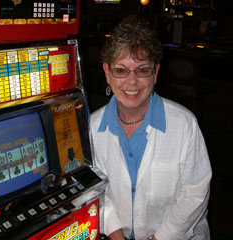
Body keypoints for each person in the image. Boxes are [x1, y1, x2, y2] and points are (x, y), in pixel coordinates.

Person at [89, 21, 212, 240]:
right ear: (107, 73)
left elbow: (195, 194)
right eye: (120, 70)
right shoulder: (91, 128)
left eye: (142, 70)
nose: (132, 81)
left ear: (155, 72)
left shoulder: (184, 124)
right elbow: (94, 192)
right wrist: (116, 235)